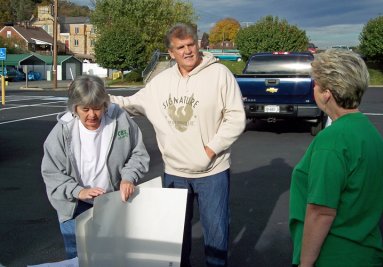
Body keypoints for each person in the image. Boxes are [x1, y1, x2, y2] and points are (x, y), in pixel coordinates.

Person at [110, 23, 246, 267]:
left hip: (212, 172)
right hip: (174, 173)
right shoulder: (161, 82)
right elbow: (129, 103)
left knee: (216, 236)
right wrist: (97, 97)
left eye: (191, 44)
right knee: (176, 239)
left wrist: (210, 149)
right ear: (171, 53)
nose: (187, 51)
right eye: (180, 47)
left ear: (198, 44)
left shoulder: (220, 75)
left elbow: (236, 118)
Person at [289, 49, 383, 267]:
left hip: (333, 256)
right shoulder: (370, 132)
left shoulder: (332, 140)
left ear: (327, 93)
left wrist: (305, 264)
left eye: (316, 83)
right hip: (366, 254)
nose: (313, 87)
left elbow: (321, 211)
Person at [41, 75, 150, 259]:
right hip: (74, 207)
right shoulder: (62, 131)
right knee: (79, 259)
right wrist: (78, 191)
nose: (92, 115)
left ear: (105, 105)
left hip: (111, 202)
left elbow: (138, 153)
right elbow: (52, 172)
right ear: (74, 108)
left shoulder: (120, 120)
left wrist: (128, 177)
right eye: (85, 109)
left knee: (112, 256)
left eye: (97, 108)